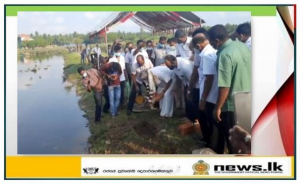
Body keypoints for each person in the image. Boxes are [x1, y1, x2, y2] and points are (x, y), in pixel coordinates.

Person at [208, 25, 251, 153]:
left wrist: (218, 108)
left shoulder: (224, 54)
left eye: (210, 41)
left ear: (216, 40)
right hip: (248, 99)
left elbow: (224, 86)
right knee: (246, 138)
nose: (210, 44)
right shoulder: (242, 46)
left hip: (232, 105)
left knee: (234, 140)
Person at [192, 34, 218, 151]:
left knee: (208, 121)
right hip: (212, 94)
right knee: (210, 121)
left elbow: (208, 78)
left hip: (208, 96)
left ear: (198, 45)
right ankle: (210, 142)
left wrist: (203, 99)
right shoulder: (212, 52)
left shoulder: (206, 55)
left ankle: (209, 144)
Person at [164, 55, 199, 123]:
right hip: (186, 83)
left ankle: (195, 119)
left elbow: (193, 79)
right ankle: (189, 117)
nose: (168, 67)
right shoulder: (174, 65)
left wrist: (189, 90)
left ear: (173, 62)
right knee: (187, 100)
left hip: (194, 84)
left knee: (192, 101)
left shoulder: (185, 67)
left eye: (168, 65)